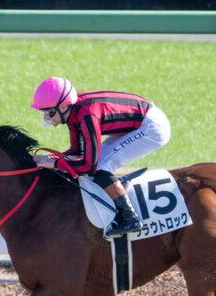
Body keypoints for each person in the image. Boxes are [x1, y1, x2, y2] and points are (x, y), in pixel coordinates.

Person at [31, 77, 171, 238]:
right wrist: (49, 159)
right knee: (98, 164)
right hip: (139, 123)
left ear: (63, 106)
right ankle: (114, 189)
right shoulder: (73, 111)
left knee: (101, 166)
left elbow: (89, 165)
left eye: (50, 113)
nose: (49, 120)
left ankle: (129, 217)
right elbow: (77, 151)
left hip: (152, 128)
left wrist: (55, 163)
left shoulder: (87, 115)